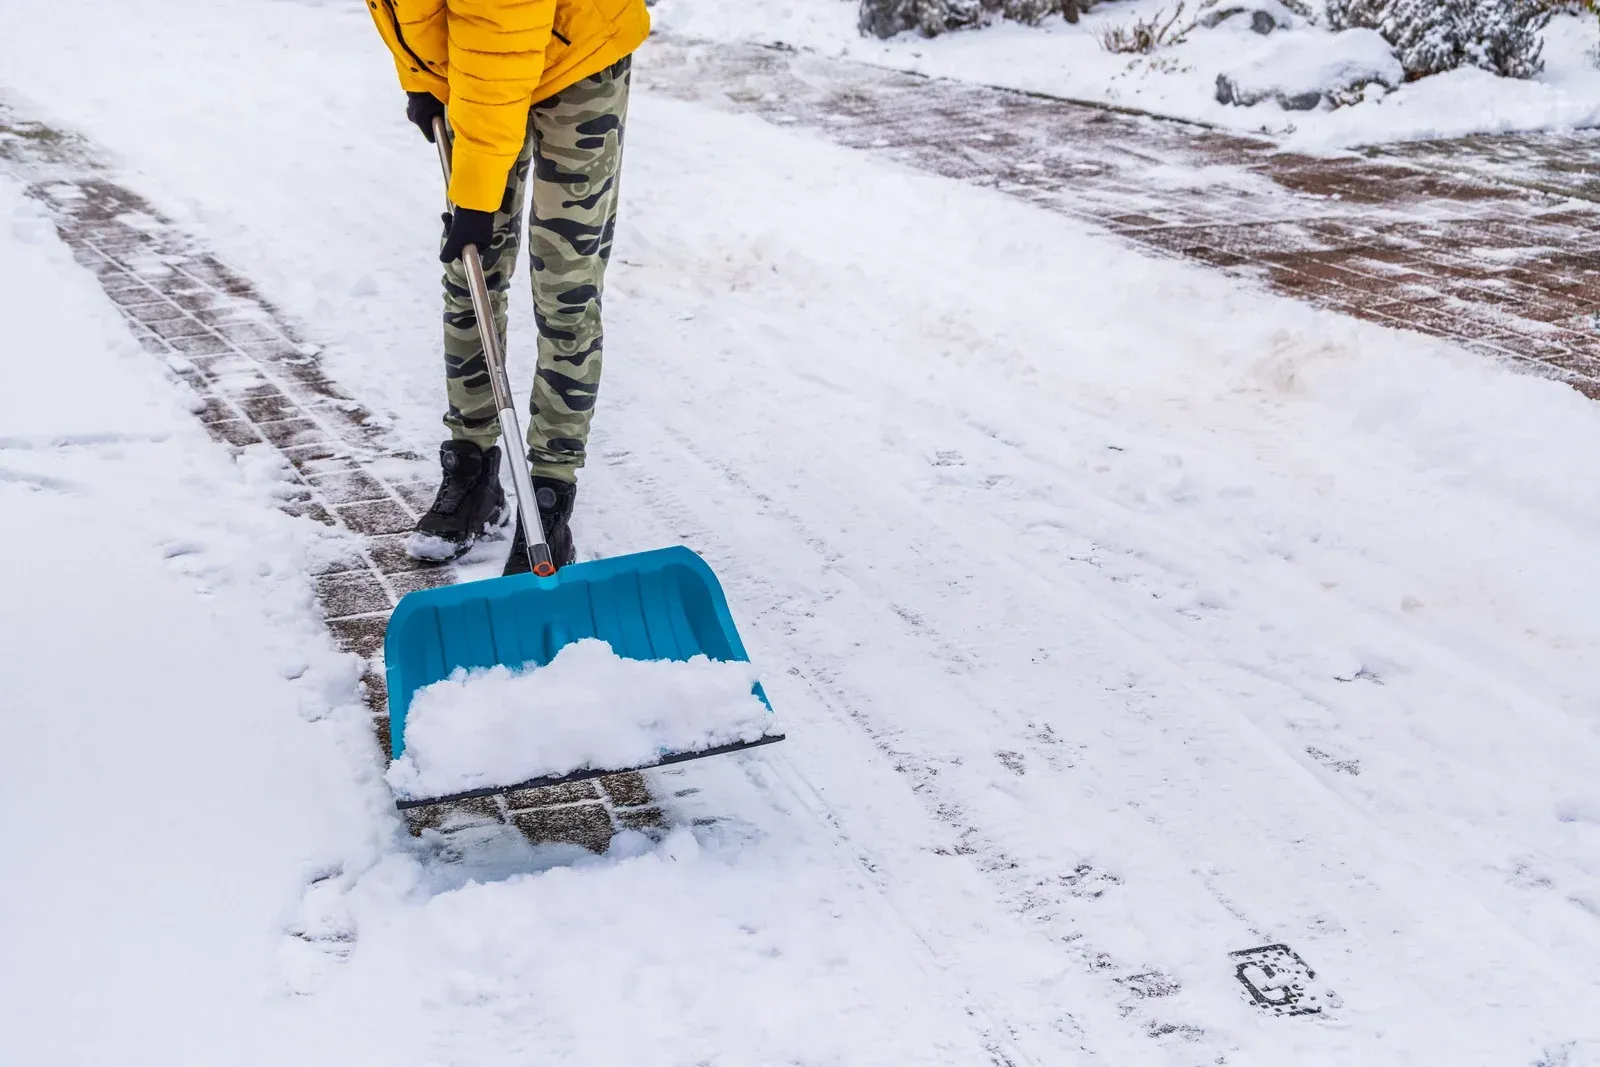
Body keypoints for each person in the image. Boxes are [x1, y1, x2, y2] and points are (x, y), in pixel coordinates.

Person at [365, 0, 650, 573]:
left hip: (577, 57)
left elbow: (503, 43)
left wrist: (474, 197)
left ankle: (548, 497)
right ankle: (473, 472)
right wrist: (420, 74)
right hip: (479, 62)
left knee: (564, 286)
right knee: (471, 271)